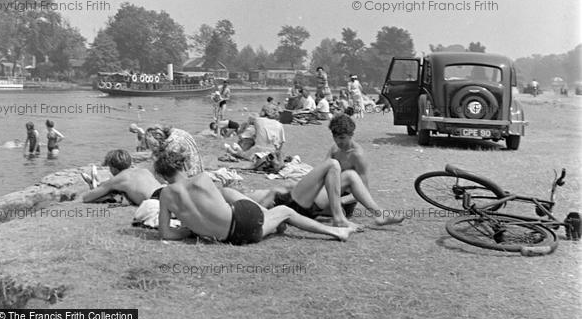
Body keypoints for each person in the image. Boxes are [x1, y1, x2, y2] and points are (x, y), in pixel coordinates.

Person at [154, 145, 357, 244]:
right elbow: (219, 207)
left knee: (229, 194)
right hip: (245, 223)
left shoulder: (165, 196)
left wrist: (188, 231)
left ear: (164, 176)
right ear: (183, 165)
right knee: (284, 210)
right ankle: (337, 232)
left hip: (229, 238)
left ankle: (272, 218)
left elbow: (166, 233)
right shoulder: (202, 179)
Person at [250, 114, 405, 227]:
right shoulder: (335, 149)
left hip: (340, 201)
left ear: (351, 135)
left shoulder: (357, 156)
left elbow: (363, 191)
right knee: (271, 191)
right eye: (336, 137)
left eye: (343, 138)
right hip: (322, 198)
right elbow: (321, 176)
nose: (339, 142)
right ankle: (379, 215)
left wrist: (337, 200)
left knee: (349, 175)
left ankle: (378, 215)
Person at [81, 149, 166, 205]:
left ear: (113, 168)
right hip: (166, 190)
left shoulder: (120, 178)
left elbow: (86, 198)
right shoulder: (144, 171)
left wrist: (96, 189)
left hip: (156, 200)